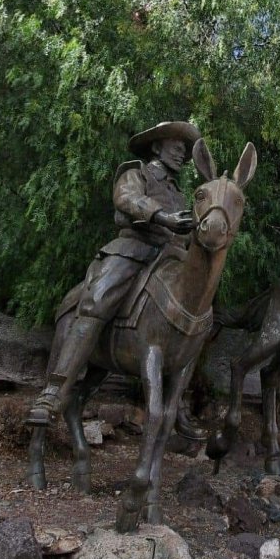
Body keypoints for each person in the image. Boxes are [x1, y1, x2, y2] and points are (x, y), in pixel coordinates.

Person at [27, 120, 200, 425]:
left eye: (184, 150)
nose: (181, 153)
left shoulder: (180, 194)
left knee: (197, 310)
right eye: (176, 146)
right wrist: (163, 218)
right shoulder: (136, 173)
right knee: (97, 300)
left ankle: (177, 406)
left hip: (170, 259)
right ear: (157, 146)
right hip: (133, 250)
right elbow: (127, 200)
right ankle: (54, 390)